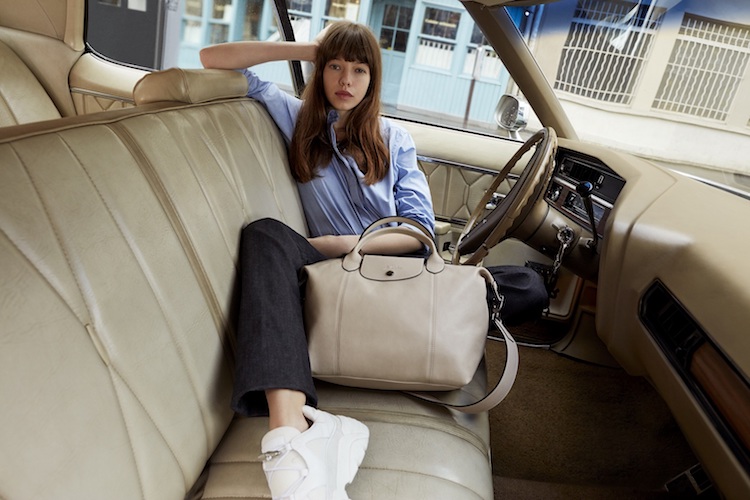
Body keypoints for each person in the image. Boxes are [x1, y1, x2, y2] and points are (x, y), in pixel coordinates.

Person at [200, 21, 435, 499]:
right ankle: (290, 437)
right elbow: (211, 59)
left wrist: (336, 244)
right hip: (324, 276)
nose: (346, 80)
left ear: (373, 79)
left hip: (385, 273)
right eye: (335, 67)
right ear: (320, 70)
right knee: (264, 235)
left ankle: (301, 447)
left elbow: (419, 232)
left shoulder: (395, 139)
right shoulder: (296, 119)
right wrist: (308, 48)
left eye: (359, 69)